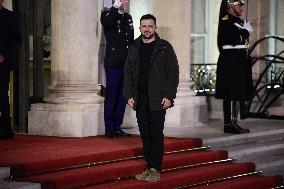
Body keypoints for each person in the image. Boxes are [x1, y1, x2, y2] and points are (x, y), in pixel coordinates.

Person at [124, 14, 179, 182]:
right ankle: (149, 167)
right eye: (144, 26)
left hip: (157, 98)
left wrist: (169, 96)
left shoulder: (164, 47)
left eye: (150, 26)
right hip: (140, 98)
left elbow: (173, 73)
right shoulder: (134, 46)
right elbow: (128, 73)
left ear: (155, 27)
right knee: (145, 134)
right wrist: (129, 95)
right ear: (140, 28)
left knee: (156, 133)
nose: (147, 29)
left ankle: (155, 169)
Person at [215, 0, 253, 134]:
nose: (242, 7)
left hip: (239, 60)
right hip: (230, 61)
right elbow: (235, 39)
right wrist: (245, 32)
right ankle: (228, 123)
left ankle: (234, 121)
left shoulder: (238, 21)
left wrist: (244, 30)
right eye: (239, 4)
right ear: (231, 6)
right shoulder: (226, 20)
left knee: (237, 92)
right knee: (231, 92)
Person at [100, 0, 134, 138]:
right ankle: (109, 128)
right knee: (112, 96)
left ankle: (117, 126)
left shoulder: (128, 17)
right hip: (113, 63)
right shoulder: (108, 14)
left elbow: (130, 41)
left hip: (126, 64)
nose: (126, 2)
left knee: (122, 97)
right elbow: (107, 23)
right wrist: (114, 7)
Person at [0, 0, 22, 140]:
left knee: (1, 96)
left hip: (2, 64)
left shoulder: (10, 17)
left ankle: (6, 129)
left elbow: (17, 40)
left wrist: (4, 55)